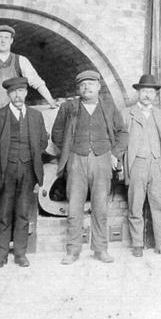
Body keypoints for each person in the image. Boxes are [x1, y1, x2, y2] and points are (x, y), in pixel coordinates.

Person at [51, 70, 127, 264]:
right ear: (78, 88)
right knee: (74, 207)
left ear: (98, 86)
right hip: (77, 160)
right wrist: (69, 150)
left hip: (102, 159)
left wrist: (114, 153)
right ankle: (73, 250)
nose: (87, 88)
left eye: (91, 84)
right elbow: (57, 132)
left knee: (100, 208)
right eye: (83, 85)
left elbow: (123, 133)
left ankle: (100, 249)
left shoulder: (109, 106)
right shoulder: (69, 107)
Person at [0, 76, 48, 268]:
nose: (18, 95)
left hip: (28, 171)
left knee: (23, 213)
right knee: (4, 213)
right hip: (4, 171)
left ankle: (20, 254)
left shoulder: (36, 116)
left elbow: (42, 141)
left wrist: (31, 157)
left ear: (26, 92)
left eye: (21, 91)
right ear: (8, 94)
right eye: (13, 92)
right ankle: (1, 255)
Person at [122, 74, 161, 257]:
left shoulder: (160, 114)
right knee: (135, 205)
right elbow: (121, 141)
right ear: (138, 92)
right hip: (137, 163)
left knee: (159, 205)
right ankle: (137, 244)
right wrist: (121, 165)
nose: (147, 95)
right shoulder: (128, 113)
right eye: (144, 91)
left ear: (155, 94)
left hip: (157, 164)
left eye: (151, 91)